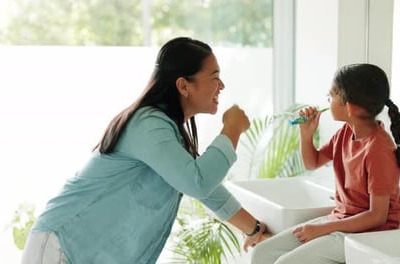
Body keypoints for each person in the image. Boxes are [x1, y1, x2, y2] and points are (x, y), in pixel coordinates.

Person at [22, 37, 268, 264]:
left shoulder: (166, 132)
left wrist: (256, 230)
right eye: (215, 77)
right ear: (183, 85)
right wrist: (232, 128)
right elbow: (198, 182)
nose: (221, 85)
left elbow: (209, 191)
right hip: (63, 247)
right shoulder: (148, 124)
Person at [250, 63, 400, 264]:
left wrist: (321, 229)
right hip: (342, 220)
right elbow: (313, 163)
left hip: (369, 233)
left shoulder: (378, 149)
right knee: (262, 253)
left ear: (350, 107)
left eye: (331, 96)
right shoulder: (345, 134)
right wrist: (306, 134)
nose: (327, 101)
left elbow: (377, 217)